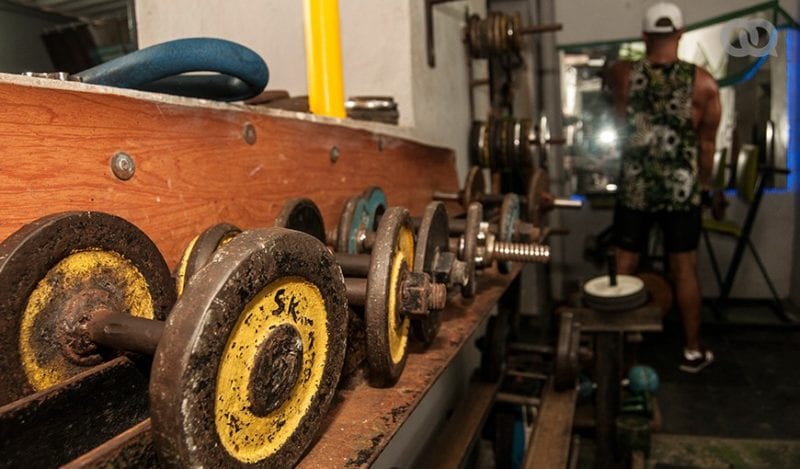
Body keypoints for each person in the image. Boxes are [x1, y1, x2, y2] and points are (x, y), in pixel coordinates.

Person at [606, 2, 721, 372]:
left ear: (643, 36)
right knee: (684, 268)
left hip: (635, 185)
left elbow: (616, 110)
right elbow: (706, 146)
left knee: (624, 263)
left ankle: (617, 352)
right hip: (679, 189)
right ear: (681, 33)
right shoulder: (703, 83)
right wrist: (703, 186)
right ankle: (691, 350)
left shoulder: (623, 74)